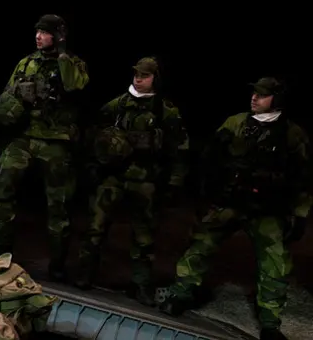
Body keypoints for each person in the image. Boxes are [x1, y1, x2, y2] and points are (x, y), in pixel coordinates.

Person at [159, 78, 309, 340]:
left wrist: (300, 213)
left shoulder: (292, 134)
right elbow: (210, 157)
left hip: (267, 210)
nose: (254, 98)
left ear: (277, 99)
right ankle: (181, 293)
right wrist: (203, 192)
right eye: (254, 93)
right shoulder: (236, 122)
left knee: (274, 265)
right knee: (199, 246)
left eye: (262, 95)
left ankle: (270, 322)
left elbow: (304, 177)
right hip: (229, 202)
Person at [75, 57, 188, 305]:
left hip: (145, 180)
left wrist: (174, 183)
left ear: (155, 78)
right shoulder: (117, 105)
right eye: (137, 74)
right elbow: (94, 136)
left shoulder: (165, 111)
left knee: (144, 236)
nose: (138, 78)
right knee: (96, 227)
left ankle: (141, 284)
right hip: (113, 177)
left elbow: (179, 149)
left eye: (145, 75)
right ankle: (85, 273)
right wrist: (94, 165)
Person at [0, 14, 89, 280]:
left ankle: (57, 265)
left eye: (45, 32)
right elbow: (9, 92)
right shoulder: (27, 63)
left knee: (59, 205)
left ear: (57, 36)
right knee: (3, 187)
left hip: (55, 140)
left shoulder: (73, 63)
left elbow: (74, 85)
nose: (38, 36)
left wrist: (64, 55)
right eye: (37, 31)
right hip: (24, 137)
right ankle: (1, 253)